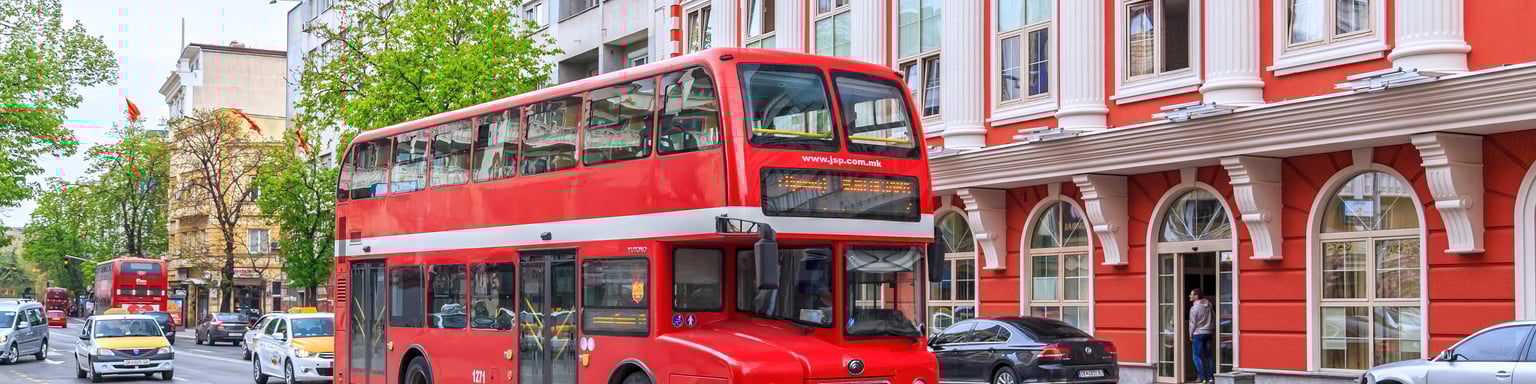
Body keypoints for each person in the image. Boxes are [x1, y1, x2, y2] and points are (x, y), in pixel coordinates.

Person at [1189, 288, 1214, 384]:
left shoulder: (1194, 308)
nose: (1189, 296)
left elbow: (1193, 324)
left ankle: (1201, 378)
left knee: (1196, 356)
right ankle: (1210, 378)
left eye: (1191, 294)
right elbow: (1213, 317)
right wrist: (1211, 329)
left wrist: (1190, 335)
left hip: (1198, 334)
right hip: (1208, 333)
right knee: (1208, 356)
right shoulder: (1209, 305)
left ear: (1196, 296)